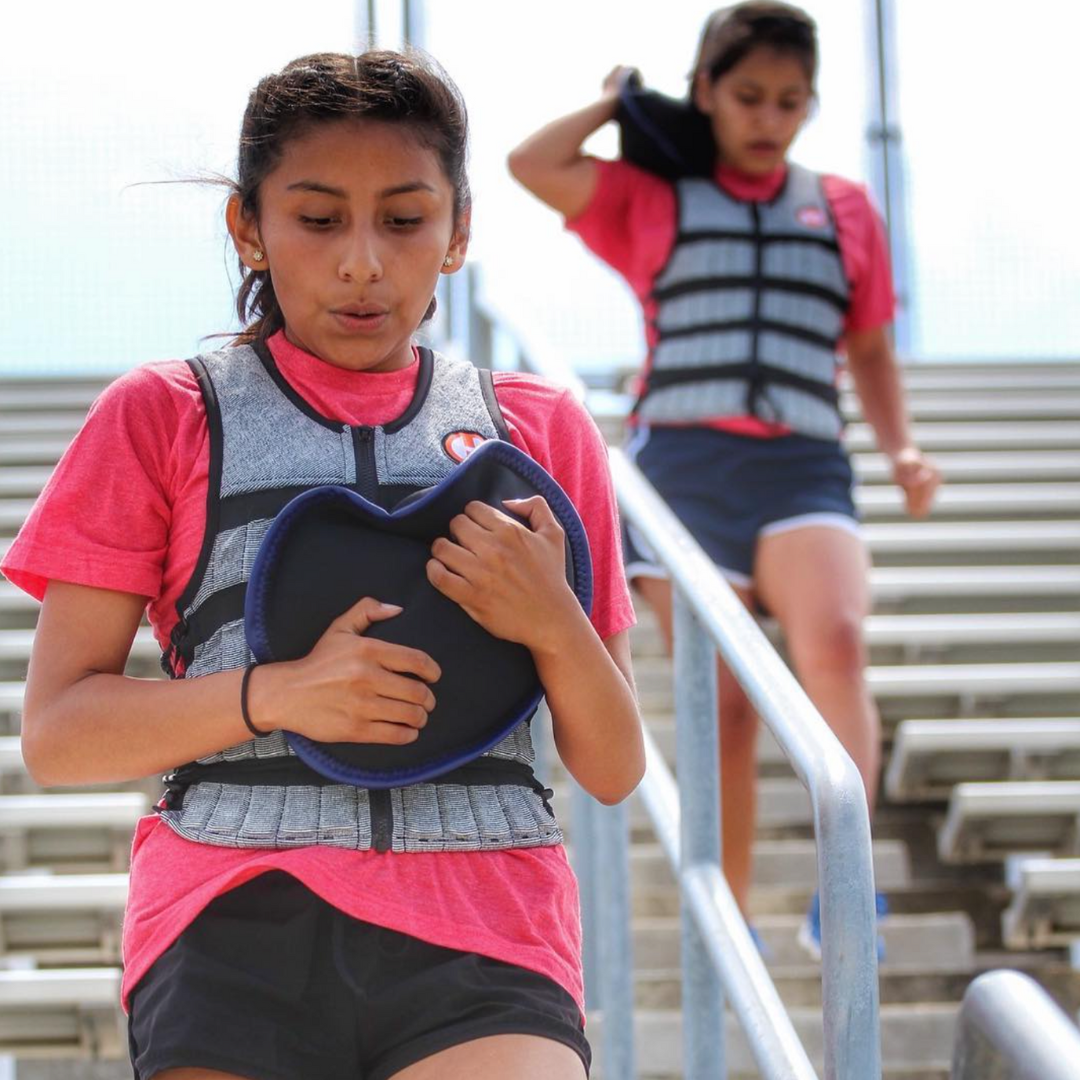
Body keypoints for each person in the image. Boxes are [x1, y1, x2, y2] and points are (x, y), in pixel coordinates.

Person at [3, 50, 644, 1080]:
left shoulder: (538, 429)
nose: (362, 262)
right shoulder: (160, 415)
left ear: (458, 230)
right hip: (229, 919)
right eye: (317, 218)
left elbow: (612, 769)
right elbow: (60, 734)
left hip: (488, 922)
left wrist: (550, 620)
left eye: (402, 219)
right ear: (248, 227)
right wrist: (280, 694)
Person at [508, 1, 941, 957]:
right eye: (745, 96)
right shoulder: (654, 197)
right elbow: (530, 165)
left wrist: (900, 448)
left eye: (790, 101)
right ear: (706, 93)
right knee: (726, 706)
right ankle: (732, 920)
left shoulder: (843, 209)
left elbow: (868, 350)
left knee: (834, 639)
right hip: (689, 469)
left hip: (803, 464)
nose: (767, 118)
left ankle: (846, 893)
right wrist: (616, 103)